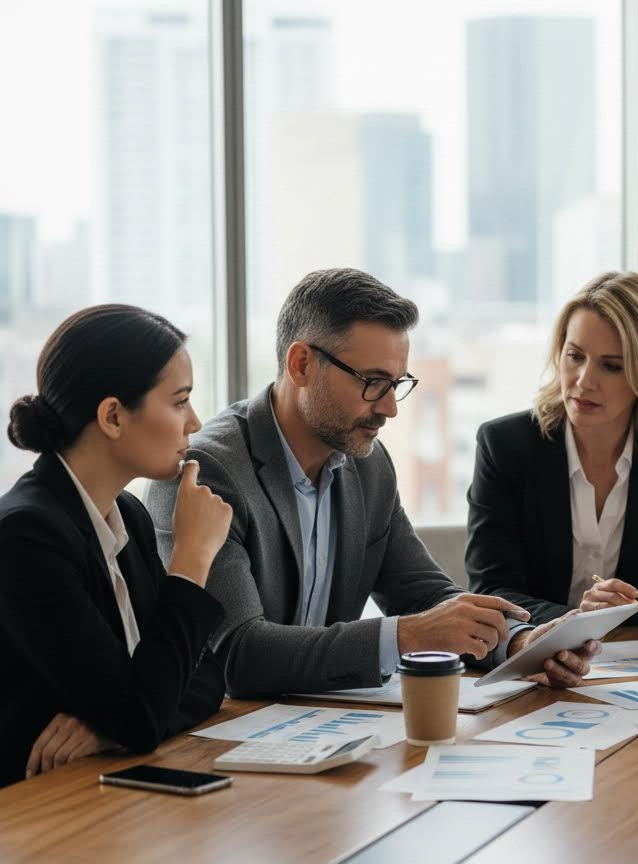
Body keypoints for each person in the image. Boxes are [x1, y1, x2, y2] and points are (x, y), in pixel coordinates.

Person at [144, 268, 596, 698]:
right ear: (301, 364)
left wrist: (521, 644)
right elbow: (238, 657)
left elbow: (424, 594)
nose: (389, 409)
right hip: (218, 742)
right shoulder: (207, 473)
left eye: (397, 384)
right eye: (373, 382)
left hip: (321, 729)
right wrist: (407, 636)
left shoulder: (366, 462)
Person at [0, 305, 231, 787]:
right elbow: (141, 712)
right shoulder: (26, 537)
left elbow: (206, 680)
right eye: (179, 401)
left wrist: (111, 729)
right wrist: (192, 560)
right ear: (112, 416)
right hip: (32, 813)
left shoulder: (130, 515)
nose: (195, 421)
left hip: (101, 783)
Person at [466, 271, 638, 653]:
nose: (583, 380)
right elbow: (492, 589)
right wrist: (573, 621)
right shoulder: (506, 445)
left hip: (637, 664)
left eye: (611, 366)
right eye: (575, 356)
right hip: (539, 661)